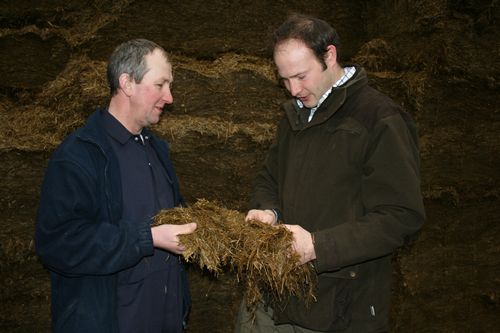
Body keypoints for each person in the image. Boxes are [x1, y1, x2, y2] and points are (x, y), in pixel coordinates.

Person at [234, 14, 425, 333]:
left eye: (301, 76)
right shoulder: (294, 119)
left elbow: (401, 216)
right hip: (277, 295)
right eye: (284, 80)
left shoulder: (379, 119)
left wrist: (317, 246)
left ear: (330, 55)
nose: (293, 90)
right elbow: (269, 177)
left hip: (339, 307)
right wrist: (267, 209)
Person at [35, 39, 197, 333]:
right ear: (127, 83)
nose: (170, 97)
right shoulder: (79, 155)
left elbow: (173, 217)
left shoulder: (156, 150)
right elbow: (58, 243)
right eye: (160, 84)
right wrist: (146, 239)